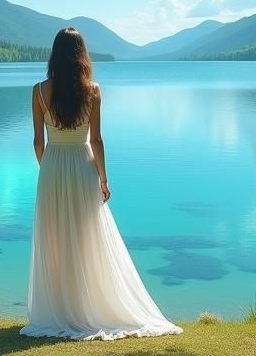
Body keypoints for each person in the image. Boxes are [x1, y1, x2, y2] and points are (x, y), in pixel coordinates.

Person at [20, 27, 183, 341]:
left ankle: (61, 309)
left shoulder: (38, 91)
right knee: (87, 237)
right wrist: (103, 178)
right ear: (81, 55)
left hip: (52, 168)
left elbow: (37, 142)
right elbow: (96, 139)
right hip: (83, 167)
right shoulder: (93, 90)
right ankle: (87, 307)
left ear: (54, 54)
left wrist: (49, 169)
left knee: (54, 239)